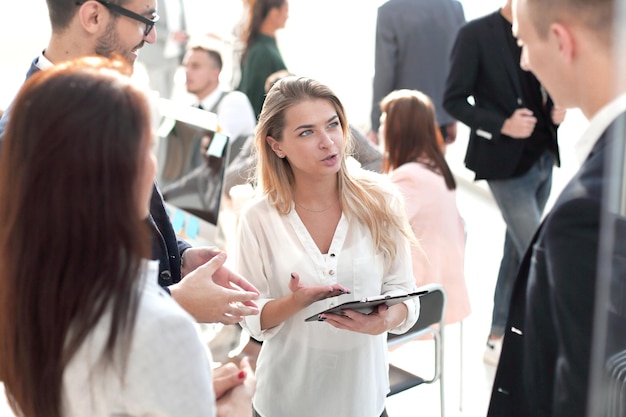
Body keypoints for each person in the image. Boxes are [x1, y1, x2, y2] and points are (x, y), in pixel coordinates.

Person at [0, 55, 255, 417]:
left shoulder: (27, 296)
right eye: (146, 148)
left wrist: (188, 388)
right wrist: (237, 408)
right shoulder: (160, 326)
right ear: (114, 172)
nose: (154, 166)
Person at [0, 0, 260, 326]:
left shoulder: (97, 104)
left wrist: (177, 258)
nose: (151, 38)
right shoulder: (28, 139)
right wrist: (175, 302)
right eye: (146, 20)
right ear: (93, 16)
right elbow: (48, 298)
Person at [235, 76, 419, 417]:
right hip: (284, 403)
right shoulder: (258, 217)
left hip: (363, 402)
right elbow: (253, 317)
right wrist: (293, 303)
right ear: (276, 145)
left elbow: (405, 293)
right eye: (306, 132)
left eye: (332, 125)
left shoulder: (382, 200)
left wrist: (384, 320)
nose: (327, 142)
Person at [487, 0, 626, 415]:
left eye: (524, 43)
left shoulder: (587, 212)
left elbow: (588, 397)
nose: (525, 63)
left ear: (561, 41)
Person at [443, 0, 565, 365]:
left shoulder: (547, 27)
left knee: (517, 252)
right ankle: (555, 345)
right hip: (503, 165)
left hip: (543, 157)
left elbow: (549, 84)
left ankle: (498, 335)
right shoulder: (475, 34)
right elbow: (453, 100)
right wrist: (501, 125)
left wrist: (557, 106)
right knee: (538, 250)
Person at [379, 89, 471, 325]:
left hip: (413, 304)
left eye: (383, 122)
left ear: (398, 129)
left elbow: (375, 231)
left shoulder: (409, 178)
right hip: (441, 295)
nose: (380, 129)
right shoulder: (436, 169)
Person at [369, 0, 465, 146]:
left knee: (407, 168)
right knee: (434, 166)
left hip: (404, 116)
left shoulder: (389, 11)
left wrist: (375, 124)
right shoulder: (453, 6)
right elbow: (460, 64)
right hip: (441, 116)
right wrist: (452, 116)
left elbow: (385, 72)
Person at [183, 39, 256, 162]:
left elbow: (214, 149)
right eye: (186, 66)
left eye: (195, 66)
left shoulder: (234, 101)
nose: (187, 72)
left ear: (215, 73)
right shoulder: (190, 109)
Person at [236, 0, 289, 118]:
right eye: (285, 11)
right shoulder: (261, 50)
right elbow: (253, 99)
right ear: (274, 12)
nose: (287, 16)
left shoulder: (268, 45)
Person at [137, 0, 188, 99]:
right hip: (156, 56)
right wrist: (170, 35)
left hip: (174, 55)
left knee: (169, 96)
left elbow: (181, 23)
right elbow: (145, 22)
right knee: (159, 95)